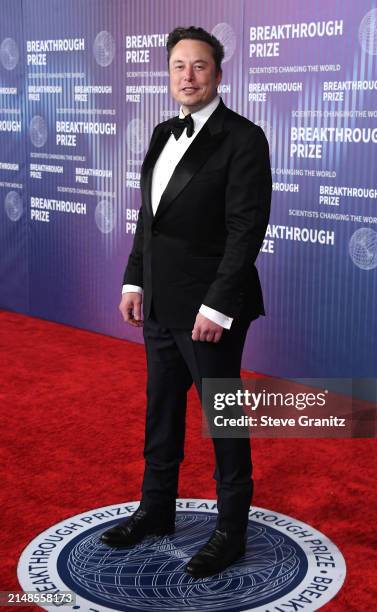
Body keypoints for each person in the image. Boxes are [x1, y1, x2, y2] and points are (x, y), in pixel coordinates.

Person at [100, 25, 272, 579]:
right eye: (179, 66)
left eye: (199, 66)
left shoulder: (244, 138)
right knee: (162, 411)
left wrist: (217, 306)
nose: (188, 76)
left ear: (219, 74)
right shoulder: (159, 133)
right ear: (168, 74)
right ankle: (155, 510)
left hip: (211, 312)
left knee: (222, 419)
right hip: (159, 304)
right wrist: (133, 282)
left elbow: (246, 231)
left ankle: (231, 530)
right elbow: (149, 220)